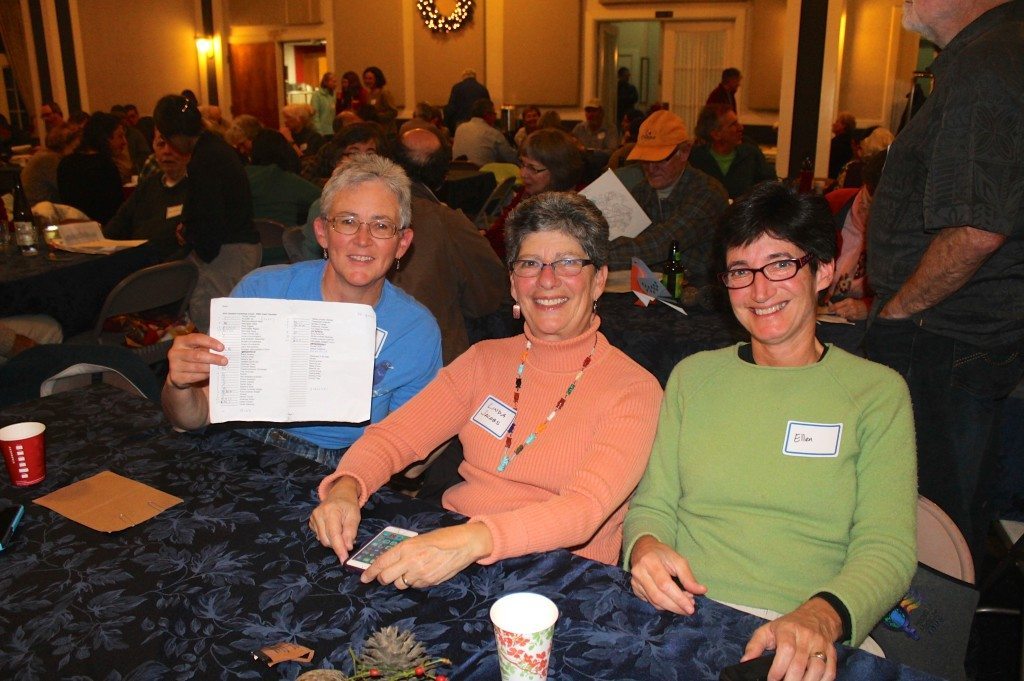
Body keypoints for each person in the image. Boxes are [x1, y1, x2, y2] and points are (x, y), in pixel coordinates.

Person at [625, 182, 916, 681]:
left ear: (823, 269)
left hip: (808, 632)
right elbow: (653, 505)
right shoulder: (693, 377)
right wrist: (645, 547)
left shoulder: (876, 393)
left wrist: (819, 616)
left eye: (781, 265)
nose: (760, 292)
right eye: (741, 272)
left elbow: (887, 548)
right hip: (687, 617)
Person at [309, 191, 662, 588]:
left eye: (566, 262)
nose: (547, 280)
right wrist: (347, 486)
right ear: (513, 283)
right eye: (530, 264)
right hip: (457, 549)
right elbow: (393, 438)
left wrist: (469, 540)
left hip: (559, 577)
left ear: (598, 280)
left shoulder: (633, 389)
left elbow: (583, 512)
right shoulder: (484, 360)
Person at [865, 0, 1024, 555]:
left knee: (930, 521)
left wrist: (900, 310)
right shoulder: (988, 55)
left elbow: (978, 228)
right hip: (960, 331)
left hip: (946, 333)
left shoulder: (987, 64)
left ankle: (931, 640)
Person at [163, 155, 442, 465]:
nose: (363, 240)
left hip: (343, 464)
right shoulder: (261, 294)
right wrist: (179, 384)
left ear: (402, 243)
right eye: (348, 221)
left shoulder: (415, 331)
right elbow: (192, 417)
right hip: (242, 446)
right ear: (322, 232)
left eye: (381, 225)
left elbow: (403, 452)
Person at [392, 125, 508, 364]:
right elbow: (488, 296)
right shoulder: (447, 222)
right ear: (444, 174)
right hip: (432, 361)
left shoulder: (355, 210)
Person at [153, 94, 261, 333]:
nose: (170, 147)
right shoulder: (215, 147)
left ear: (176, 136)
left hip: (226, 254)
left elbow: (210, 223)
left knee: (216, 328)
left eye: (168, 139)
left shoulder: (206, 159)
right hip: (237, 249)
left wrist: (190, 234)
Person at [608, 110, 729, 285]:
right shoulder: (641, 191)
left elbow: (661, 244)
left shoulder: (707, 193)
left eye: (660, 159)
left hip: (699, 294)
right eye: (644, 159)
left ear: (684, 152)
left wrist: (592, 255)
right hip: (654, 290)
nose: (651, 167)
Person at [484, 128, 584, 259]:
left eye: (532, 168)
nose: (523, 174)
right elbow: (498, 234)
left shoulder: (580, 202)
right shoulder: (527, 194)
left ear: (558, 171)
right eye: (522, 164)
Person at [102, 128, 190, 256]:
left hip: (173, 268)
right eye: (161, 144)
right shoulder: (148, 185)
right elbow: (116, 227)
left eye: (174, 145)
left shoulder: (197, 187)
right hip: (135, 263)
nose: (167, 151)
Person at [688, 105, 775, 200]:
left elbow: (770, 186)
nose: (741, 128)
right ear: (716, 134)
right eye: (733, 124)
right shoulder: (695, 158)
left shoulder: (751, 154)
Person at [56, 112, 127, 224]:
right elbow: (116, 211)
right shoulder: (105, 166)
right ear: (105, 138)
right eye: (120, 136)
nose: (124, 142)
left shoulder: (65, 163)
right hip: (103, 232)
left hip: (73, 232)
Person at [23, 123, 80, 205]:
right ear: (66, 144)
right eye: (75, 146)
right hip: (38, 209)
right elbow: (68, 189)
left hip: (37, 205)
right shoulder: (50, 159)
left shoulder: (45, 155)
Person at [451, 99, 518, 166]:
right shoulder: (493, 133)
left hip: (457, 173)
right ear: (487, 115)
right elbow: (512, 159)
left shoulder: (459, 128)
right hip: (482, 174)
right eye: (494, 114)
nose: (495, 117)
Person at [444, 67, 490, 132]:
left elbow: (451, 108)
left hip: (461, 123)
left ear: (463, 77)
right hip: (479, 123)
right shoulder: (483, 89)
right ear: (475, 77)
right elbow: (488, 107)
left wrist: (446, 124)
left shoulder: (457, 88)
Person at [362, 66, 398, 132]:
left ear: (377, 79)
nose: (367, 81)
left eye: (370, 79)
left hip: (386, 131)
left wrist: (377, 116)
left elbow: (393, 112)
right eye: (365, 78)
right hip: (375, 130)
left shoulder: (384, 93)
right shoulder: (369, 94)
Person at [827, 112, 856, 180]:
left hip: (833, 178)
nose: (833, 124)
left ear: (844, 126)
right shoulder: (852, 142)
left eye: (837, 122)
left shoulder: (837, 143)